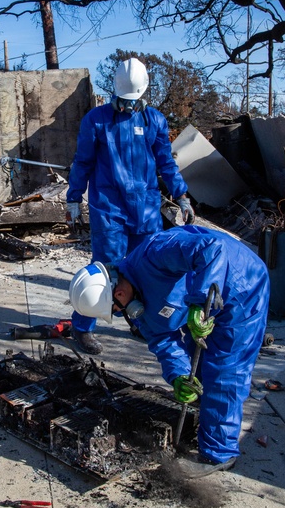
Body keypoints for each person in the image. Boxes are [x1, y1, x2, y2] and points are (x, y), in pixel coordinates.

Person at [68, 225, 269, 478]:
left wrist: (200, 302)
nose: (119, 314)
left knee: (225, 369)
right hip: (207, 297)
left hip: (241, 283)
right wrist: (179, 377)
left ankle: (219, 453)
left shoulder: (154, 255)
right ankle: (210, 418)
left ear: (118, 292)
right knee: (199, 368)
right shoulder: (138, 307)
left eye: (115, 309)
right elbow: (163, 341)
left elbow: (212, 249)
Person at [65, 57, 194, 355]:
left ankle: (140, 322)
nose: (127, 107)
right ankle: (81, 327)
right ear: (114, 93)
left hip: (146, 210)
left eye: (132, 102)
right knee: (106, 272)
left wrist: (182, 195)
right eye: (123, 102)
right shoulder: (96, 121)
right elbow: (82, 162)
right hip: (109, 208)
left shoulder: (155, 121)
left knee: (146, 272)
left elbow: (166, 163)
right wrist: (73, 198)